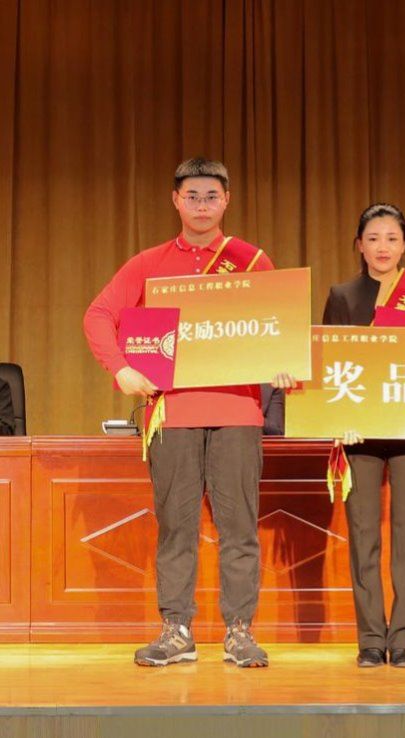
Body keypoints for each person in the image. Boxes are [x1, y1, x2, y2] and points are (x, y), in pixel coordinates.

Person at [84, 157, 294, 668]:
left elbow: (280, 326)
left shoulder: (251, 260)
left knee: (239, 527)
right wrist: (121, 369)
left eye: (211, 196)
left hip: (237, 410)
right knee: (175, 527)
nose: (202, 205)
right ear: (176, 201)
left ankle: (239, 632)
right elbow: (99, 315)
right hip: (171, 412)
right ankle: (176, 631)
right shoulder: (147, 263)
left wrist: (287, 363)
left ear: (227, 201)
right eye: (192, 196)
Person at [322, 203, 405, 669]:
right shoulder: (341, 296)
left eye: (392, 238)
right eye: (373, 238)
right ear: (359, 244)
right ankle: (371, 638)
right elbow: (330, 363)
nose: (382, 247)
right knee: (363, 534)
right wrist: (338, 418)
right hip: (360, 432)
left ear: (404, 245)